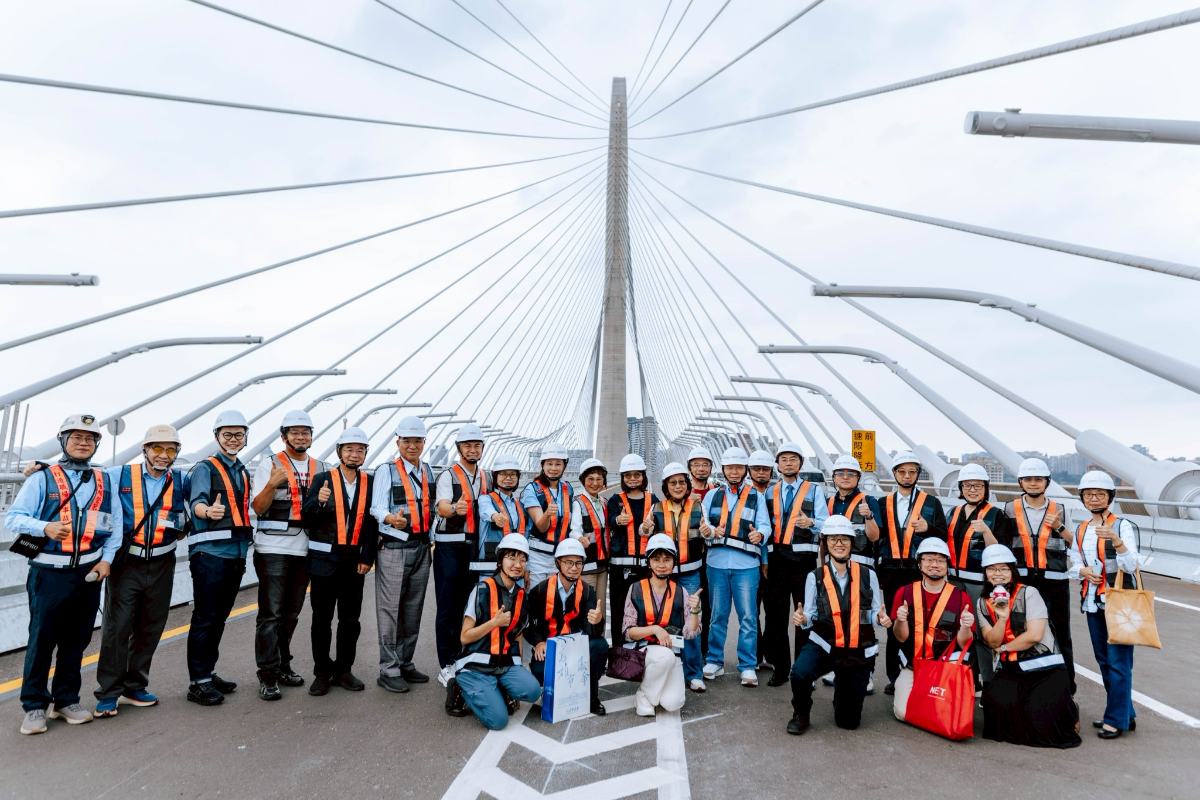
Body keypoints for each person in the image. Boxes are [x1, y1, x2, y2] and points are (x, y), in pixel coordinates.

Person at [7, 414, 118, 734]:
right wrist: (45, 527)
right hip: (49, 572)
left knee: (77, 639)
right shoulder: (41, 478)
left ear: (97, 444)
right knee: (42, 639)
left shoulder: (104, 480)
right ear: (63, 441)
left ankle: (66, 699)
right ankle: (34, 706)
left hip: (88, 571)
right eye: (76, 438)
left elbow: (115, 525)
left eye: (90, 439)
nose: (83, 443)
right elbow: (14, 518)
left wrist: (106, 559)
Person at [94, 424, 188, 718]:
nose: (164, 455)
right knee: (117, 627)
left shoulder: (181, 480)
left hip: (162, 561)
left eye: (171, 449)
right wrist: (41, 468)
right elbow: (82, 477)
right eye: (157, 448)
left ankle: (135, 685)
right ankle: (108, 693)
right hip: (127, 563)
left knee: (151, 625)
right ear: (144, 450)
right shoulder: (118, 475)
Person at [787, 516, 886, 735]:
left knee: (848, 722)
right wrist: (803, 620)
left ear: (852, 543)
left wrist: (881, 620)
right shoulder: (815, 576)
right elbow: (810, 613)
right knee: (800, 673)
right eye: (833, 539)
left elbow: (874, 614)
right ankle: (801, 713)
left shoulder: (869, 575)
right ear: (826, 543)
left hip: (855, 648)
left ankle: (844, 691)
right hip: (825, 644)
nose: (839, 544)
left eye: (844, 539)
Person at [251, 409, 325, 700]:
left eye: (305, 432)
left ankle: (283, 664)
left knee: (292, 613)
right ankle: (267, 675)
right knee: (271, 614)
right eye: (294, 432)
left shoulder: (321, 468)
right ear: (284, 436)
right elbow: (258, 507)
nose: (301, 436)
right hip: (273, 548)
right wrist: (271, 484)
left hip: (306, 548)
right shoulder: (268, 464)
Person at [976, 544, 1081, 749]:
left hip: (1042, 666)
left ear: (1013, 571)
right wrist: (1001, 618)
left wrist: (1005, 649)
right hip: (1011, 668)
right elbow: (992, 641)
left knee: (1040, 718)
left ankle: (1070, 709)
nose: (998, 574)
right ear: (985, 572)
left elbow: (1034, 635)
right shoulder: (982, 602)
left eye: (1004, 569)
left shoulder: (1029, 593)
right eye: (992, 569)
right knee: (995, 711)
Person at [302, 427, 378, 696]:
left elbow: (371, 524)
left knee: (350, 620)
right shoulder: (322, 479)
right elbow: (306, 519)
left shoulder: (369, 483)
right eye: (349, 449)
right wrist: (319, 503)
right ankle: (322, 672)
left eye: (360, 450)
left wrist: (367, 557)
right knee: (321, 620)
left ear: (365, 453)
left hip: (353, 562)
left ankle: (344, 669)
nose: (355, 454)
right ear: (339, 452)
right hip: (324, 561)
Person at [186, 409, 254, 707]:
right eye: (227, 434)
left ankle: (208, 672)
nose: (233, 440)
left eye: (239, 435)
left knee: (219, 618)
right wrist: (207, 512)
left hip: (236, 553)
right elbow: (197, 502)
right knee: (205, 617)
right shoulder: (205, 468)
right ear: (216, 437)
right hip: (210, 554)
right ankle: (197, 682)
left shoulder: (241, 469)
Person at [1068, 470, 1140, 740]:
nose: (1094, 498)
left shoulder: (1122, 526)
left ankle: (1115, 719)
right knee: (1103, 660)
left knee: (1119, 662)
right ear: (1083, 498)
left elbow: (1132, 565)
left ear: (1110, 497)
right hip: (1092, 602)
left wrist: (1116, 542)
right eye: (1089, 494)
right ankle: (1125, 714)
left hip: (1118, 603)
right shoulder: (1081, 528)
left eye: (1099, 494)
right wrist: (1082, 571)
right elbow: (1074, 560)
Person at [445, 534, 542, 729]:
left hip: (504, 664)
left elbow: (518, 634)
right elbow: (464, 637)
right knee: (498, 721)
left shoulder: (521, 595)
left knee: (532, 691)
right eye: (512, 558)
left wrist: (520, 668)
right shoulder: (481, 590)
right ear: (500, 560)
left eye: (522, 560)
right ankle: (458, 687)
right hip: (476, 667)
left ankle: (498, 688)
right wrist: (494, 622)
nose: (517, 564)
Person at [370, 416, 436, 694]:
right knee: (390, 611)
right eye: (406, 440)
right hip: (394, 547)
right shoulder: (387, 470)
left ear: (424, 443)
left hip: (422, 548)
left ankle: (405, 661)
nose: (412, 445)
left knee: (413, 608)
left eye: (417, 440)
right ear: (397, 442)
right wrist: (390, 519)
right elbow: (375, 507)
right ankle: (388, 668)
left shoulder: (428, 471)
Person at [877, 451, 947, 696]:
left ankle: (919, 669)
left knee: (922, 622)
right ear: (894, 473)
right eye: (902, 471)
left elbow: (944, 535)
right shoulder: (883, 502)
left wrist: (929, 528)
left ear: (918, 474)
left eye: (912, 472)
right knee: (894, 622)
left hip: (918, 572)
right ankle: (894, 676)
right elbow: (877, 538)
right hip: (890, 570)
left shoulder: (931, 502)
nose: (907, 476)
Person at [1004, 457, 1075, 693]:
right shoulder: (1008, 509)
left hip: (1055, 581)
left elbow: (1076, 543)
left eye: (1038, 479)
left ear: (1047, 482)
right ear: (1020, 482)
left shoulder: (1061, 510)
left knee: (1060, 634)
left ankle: (1067, 687)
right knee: (1022, 632)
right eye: (1028, 479)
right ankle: (1026, 682)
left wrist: (1060, 527)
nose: (1033, 483)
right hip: (1022, 581)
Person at [700, 447, 770, 687]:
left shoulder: (756, 496)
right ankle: (714, 660)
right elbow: (704, 524)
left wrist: (759, 534)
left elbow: (764, 525)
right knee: (717, 616)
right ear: (724, 470)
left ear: (745, 470)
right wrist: (709, 530)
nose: (734, 471)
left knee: (748, 617)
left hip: (746, 565)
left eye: (739, 467)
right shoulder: (711, 496)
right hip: (717, 563)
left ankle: (748, 665)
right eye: (730, 467)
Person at [760, 443, 828, 687]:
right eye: (784, 459)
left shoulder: (814, 490)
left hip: (804, 563)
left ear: (800, 463)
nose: (788, 463)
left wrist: (811, 522)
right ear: (777, 465)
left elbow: (825, 522)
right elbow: (764, 527)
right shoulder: (769, 492)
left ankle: (803, 670)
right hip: (777, 561)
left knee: (805, 617)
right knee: (776, 617)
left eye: (793, 459)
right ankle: (781, 667)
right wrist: (765, 561)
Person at [888, 537, 975, 719]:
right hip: (914, 665)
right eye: (928, 559)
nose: (934, 564)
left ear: (947, 565)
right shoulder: (905, 593)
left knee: (948, 716)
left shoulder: (960, 598)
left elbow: (963, 642)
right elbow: (901, 637)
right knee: (902, 713)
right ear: (919, 564)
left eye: (940, 560)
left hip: (945, 668)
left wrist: (966, 626)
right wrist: (901, 620)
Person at [945, 463, 1012, 687]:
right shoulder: (953, 513)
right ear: (961, 488)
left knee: (981, 632)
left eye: (977, 486)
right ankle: (965, 680)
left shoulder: (996, 515)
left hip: (978, 582)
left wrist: (986, 532)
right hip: (954, 581)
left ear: (986, 488)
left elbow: (1001, 553)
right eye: (967, 485)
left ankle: (988, 681)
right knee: (958, 628)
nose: (972, 490)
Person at [524, 539, 608, 716]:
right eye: (569, 562)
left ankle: (592, 696)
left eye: (578, 563)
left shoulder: (587, 591)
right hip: (550, 647)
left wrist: (597, 620)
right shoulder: (540, 590)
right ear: (558, 563)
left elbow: (594, 631)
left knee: (600, 646)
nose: (574, 567)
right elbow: (528, 624)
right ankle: (558, 694)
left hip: (576, 646)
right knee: (539, 669)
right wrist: (538, 642)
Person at [622, 534, 702, 717]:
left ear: (674, 563)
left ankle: (652, 688)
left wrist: (696, 611)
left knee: (673, 703)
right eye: (656, 559)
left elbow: (690, 633)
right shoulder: (635, 588)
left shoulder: (681, 592)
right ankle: (643, 695)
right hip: (643, 652)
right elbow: (628, 632)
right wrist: (655, 629)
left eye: (667, 559)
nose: (662, 564)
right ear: (648, 563)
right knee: (664, 657)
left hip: (672, 654)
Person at [433, 424, 490, 680]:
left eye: (477, 445)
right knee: (448, 607)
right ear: (459, 449)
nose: (472, 449)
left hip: (475, 549)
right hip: (450, 547)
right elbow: (442, 507)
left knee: (472, 606)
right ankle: (446, 663)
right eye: (467, 446)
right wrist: (454, 508)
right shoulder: (448, 475)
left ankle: (465, 656)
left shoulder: (486, 476)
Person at [646, 462, 707, 692]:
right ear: (666, 486)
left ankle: (694, 673)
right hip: (664, 574)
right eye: (673, 482)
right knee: (664, 620)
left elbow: (707, 532)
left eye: (682, 482)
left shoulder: (698, 507)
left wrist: (708, 533)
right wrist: (644, 528)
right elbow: (645, 531)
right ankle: (669, 669)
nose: (678, 486)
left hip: (690, 573)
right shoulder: (656, 508)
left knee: (692, 620)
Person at [606, 454, 655, 647]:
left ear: (643, 476)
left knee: (644, 607)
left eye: (637, 475)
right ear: (622, 478)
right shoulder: (615, 500)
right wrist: (617, 520)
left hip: (644, 566)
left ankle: (643, 647)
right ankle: (619, 649)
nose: (632, 479)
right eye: (628, 475)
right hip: (620, 567)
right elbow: (609, 520)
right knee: (619, 609)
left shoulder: (653, 499)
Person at [471, 455, 529, 590]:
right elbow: (486, 511)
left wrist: (526, 569)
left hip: (516, 570)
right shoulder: (486, 499)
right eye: (503, 474)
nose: (508, 478)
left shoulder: (520, 506)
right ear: (495, 476)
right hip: (490, 569)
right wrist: (495, 516)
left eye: (512, 474)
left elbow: (526, 539)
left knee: (515, 607)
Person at [521, 447, 575, 588]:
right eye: (549, 464)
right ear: (542, 465)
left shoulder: (568, 488)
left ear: (564, 465)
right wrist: (547, 514)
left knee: (556, 600)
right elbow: (541, 526)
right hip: (537, 557)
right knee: (535, 599)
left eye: (558, 464)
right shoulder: (532, 489)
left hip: (560, 556)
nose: (553, 468)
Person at [570, 458, 609, 626]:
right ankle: (585, 644)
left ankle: (599, 644)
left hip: (602, 564)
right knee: (588, 606)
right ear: (583, 481)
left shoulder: (603, 502)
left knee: (600, 607)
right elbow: (574, 529)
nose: (595, 483)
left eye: (599, 479)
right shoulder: (578, 503)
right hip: (587, 565)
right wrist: (579, 539)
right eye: (590, 479)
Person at [686, 446, 716, 661]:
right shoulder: (681, 491)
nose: (701, 468)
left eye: (705, 464)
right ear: (690, 468)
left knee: (710, 604)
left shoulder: (717, 491)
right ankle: (684, 649)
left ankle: (705, 650)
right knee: (689, 603)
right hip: (690, 556)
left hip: (713, 556)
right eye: (696, 464)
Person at [826, 454, 881, 569]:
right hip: (832, 567)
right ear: (834, 477)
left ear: (858, 478)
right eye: (840, 473)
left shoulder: (869, 501)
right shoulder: (828, 503)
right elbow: (823, 540)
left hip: (862, 568)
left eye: (851, 474)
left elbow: (874, 537)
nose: (845, 477)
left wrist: (868, 516)